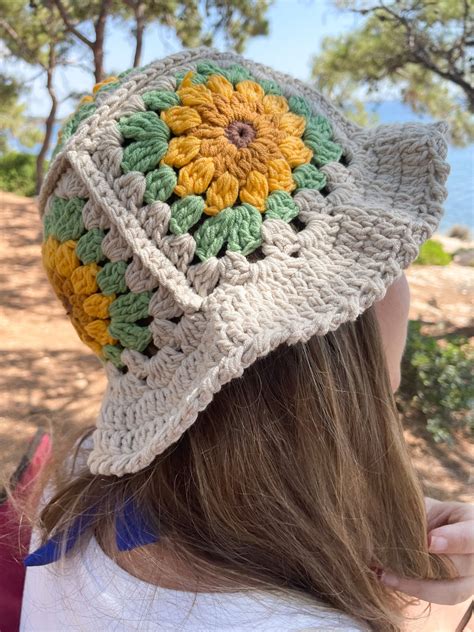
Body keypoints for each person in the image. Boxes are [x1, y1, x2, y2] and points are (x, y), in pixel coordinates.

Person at [18, 48, 472, 631]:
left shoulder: (78, 489)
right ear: (322, 329)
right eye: (386, 259)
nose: (399, 280)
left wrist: (368, 516)